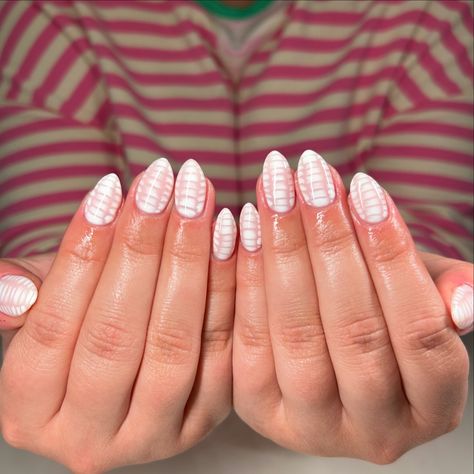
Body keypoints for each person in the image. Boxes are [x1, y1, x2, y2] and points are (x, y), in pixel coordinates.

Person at [0, 0, 472, 471]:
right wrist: (55, 300)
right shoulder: (46, 16)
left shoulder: (436, 18)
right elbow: (56, 235)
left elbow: (424, 234)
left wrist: (414, 291)